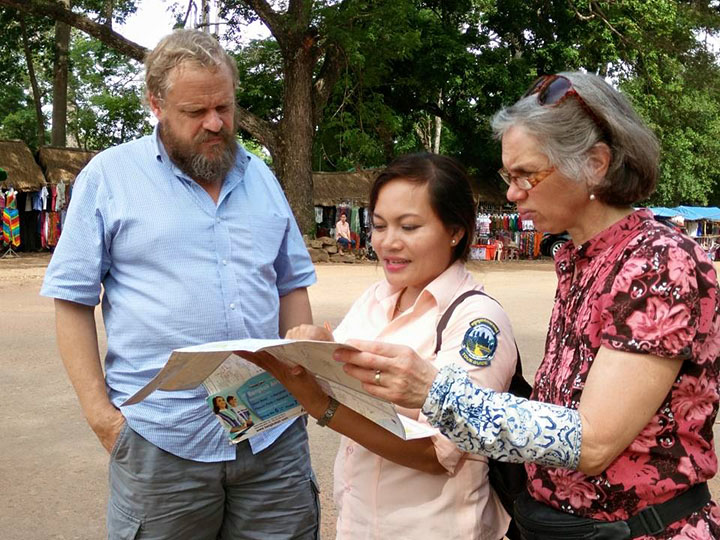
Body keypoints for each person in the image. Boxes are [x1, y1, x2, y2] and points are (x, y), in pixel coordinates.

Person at [335, 72, 720, 540]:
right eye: (508, 176)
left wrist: (434, 390)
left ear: (595, 164)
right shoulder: (584, 260)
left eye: (526, 175)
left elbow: (593, 440)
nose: (513, 193)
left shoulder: (657, 262)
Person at [40, 29, 319, 539]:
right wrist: (103, 417)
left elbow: (290, 283)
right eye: (196, 112)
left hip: (272, 432)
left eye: (224, 107)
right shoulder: (109, 177)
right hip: (160, 440)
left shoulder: (261, 177)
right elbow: (72, 300)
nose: (215, 123)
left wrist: (304, 362)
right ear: (156, 104)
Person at [249, 153, 518, 539]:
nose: (388, 242)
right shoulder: (378, 296)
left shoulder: (477, 322)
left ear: (455, 231)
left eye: (409, 227)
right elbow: (341, 361)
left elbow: (439, 455)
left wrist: (323, 408)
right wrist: (316, 346)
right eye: (378, 226)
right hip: (360, 524)